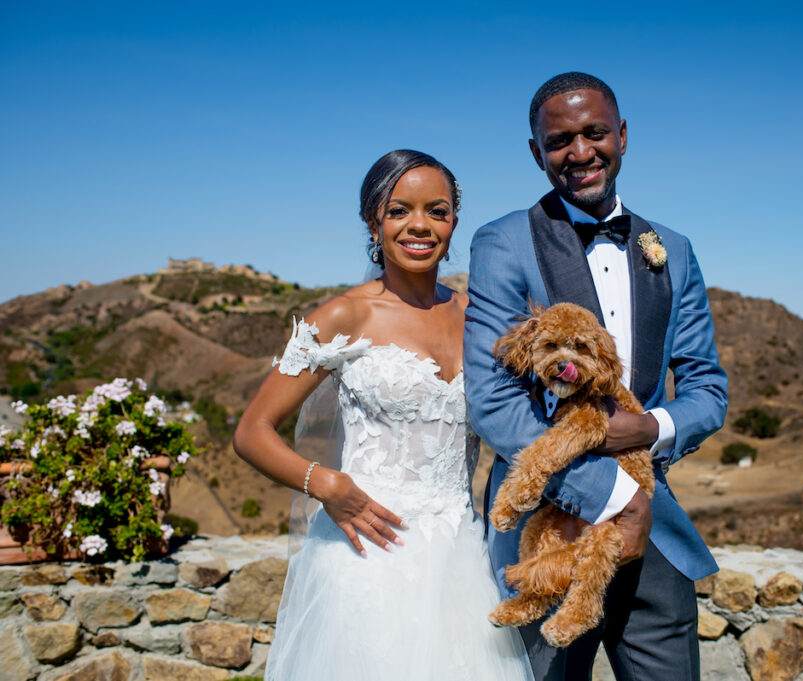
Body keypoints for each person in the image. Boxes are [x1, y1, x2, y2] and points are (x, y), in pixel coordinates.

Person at [464, 73, 728, 681]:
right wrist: (615, 498)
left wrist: (646, 428)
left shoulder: (674, 248)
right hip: (547, 529)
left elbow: (707, 390)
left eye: (595, 133)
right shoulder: (502, 243)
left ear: (623, 136)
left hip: (655, 534)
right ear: (537, 152)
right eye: (560, 141)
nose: (580, 153)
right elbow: (493, 399)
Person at [234, 149, 534, 681]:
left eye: (436, 211)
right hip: (366, 557)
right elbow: (252, 432)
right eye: (400, 211)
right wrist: (326, 484)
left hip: (461, 559)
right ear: (374, 220)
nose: (419, 225)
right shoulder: (343, 316)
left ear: (453, 222)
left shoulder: (479, 318)